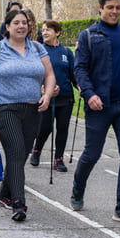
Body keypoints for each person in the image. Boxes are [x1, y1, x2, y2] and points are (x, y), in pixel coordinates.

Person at [70, 0, 120, 225]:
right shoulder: (88, 36)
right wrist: (89, 94)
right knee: (92, 154)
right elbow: (79, 69)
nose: (114, 11)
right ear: (100, 8)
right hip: (99, 106)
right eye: (110, 7)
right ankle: (77, 190)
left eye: (118, 7)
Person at [0, 9, 55, 222]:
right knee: (17, 150)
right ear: (8, 27)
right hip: (4, 109)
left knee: (21, 154)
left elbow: (49, 75)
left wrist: (47, 94)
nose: (21, 26)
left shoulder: (38, 48)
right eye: (16, 23)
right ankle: (18, 202)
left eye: (25, 22)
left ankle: (4, 193)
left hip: (33, 110)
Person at [29, 20, 76, 173]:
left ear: (58, 32)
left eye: (49, 30)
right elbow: (33, 73)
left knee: (62, 128)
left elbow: (73, 74)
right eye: (43, 30)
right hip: (45, 98)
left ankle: (59, 159)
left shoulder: (67, 52)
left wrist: (82, 87)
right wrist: (43, 87)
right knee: (46, 127)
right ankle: (37, 150)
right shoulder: (38, 50)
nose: (45, 32)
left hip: (66, 97)